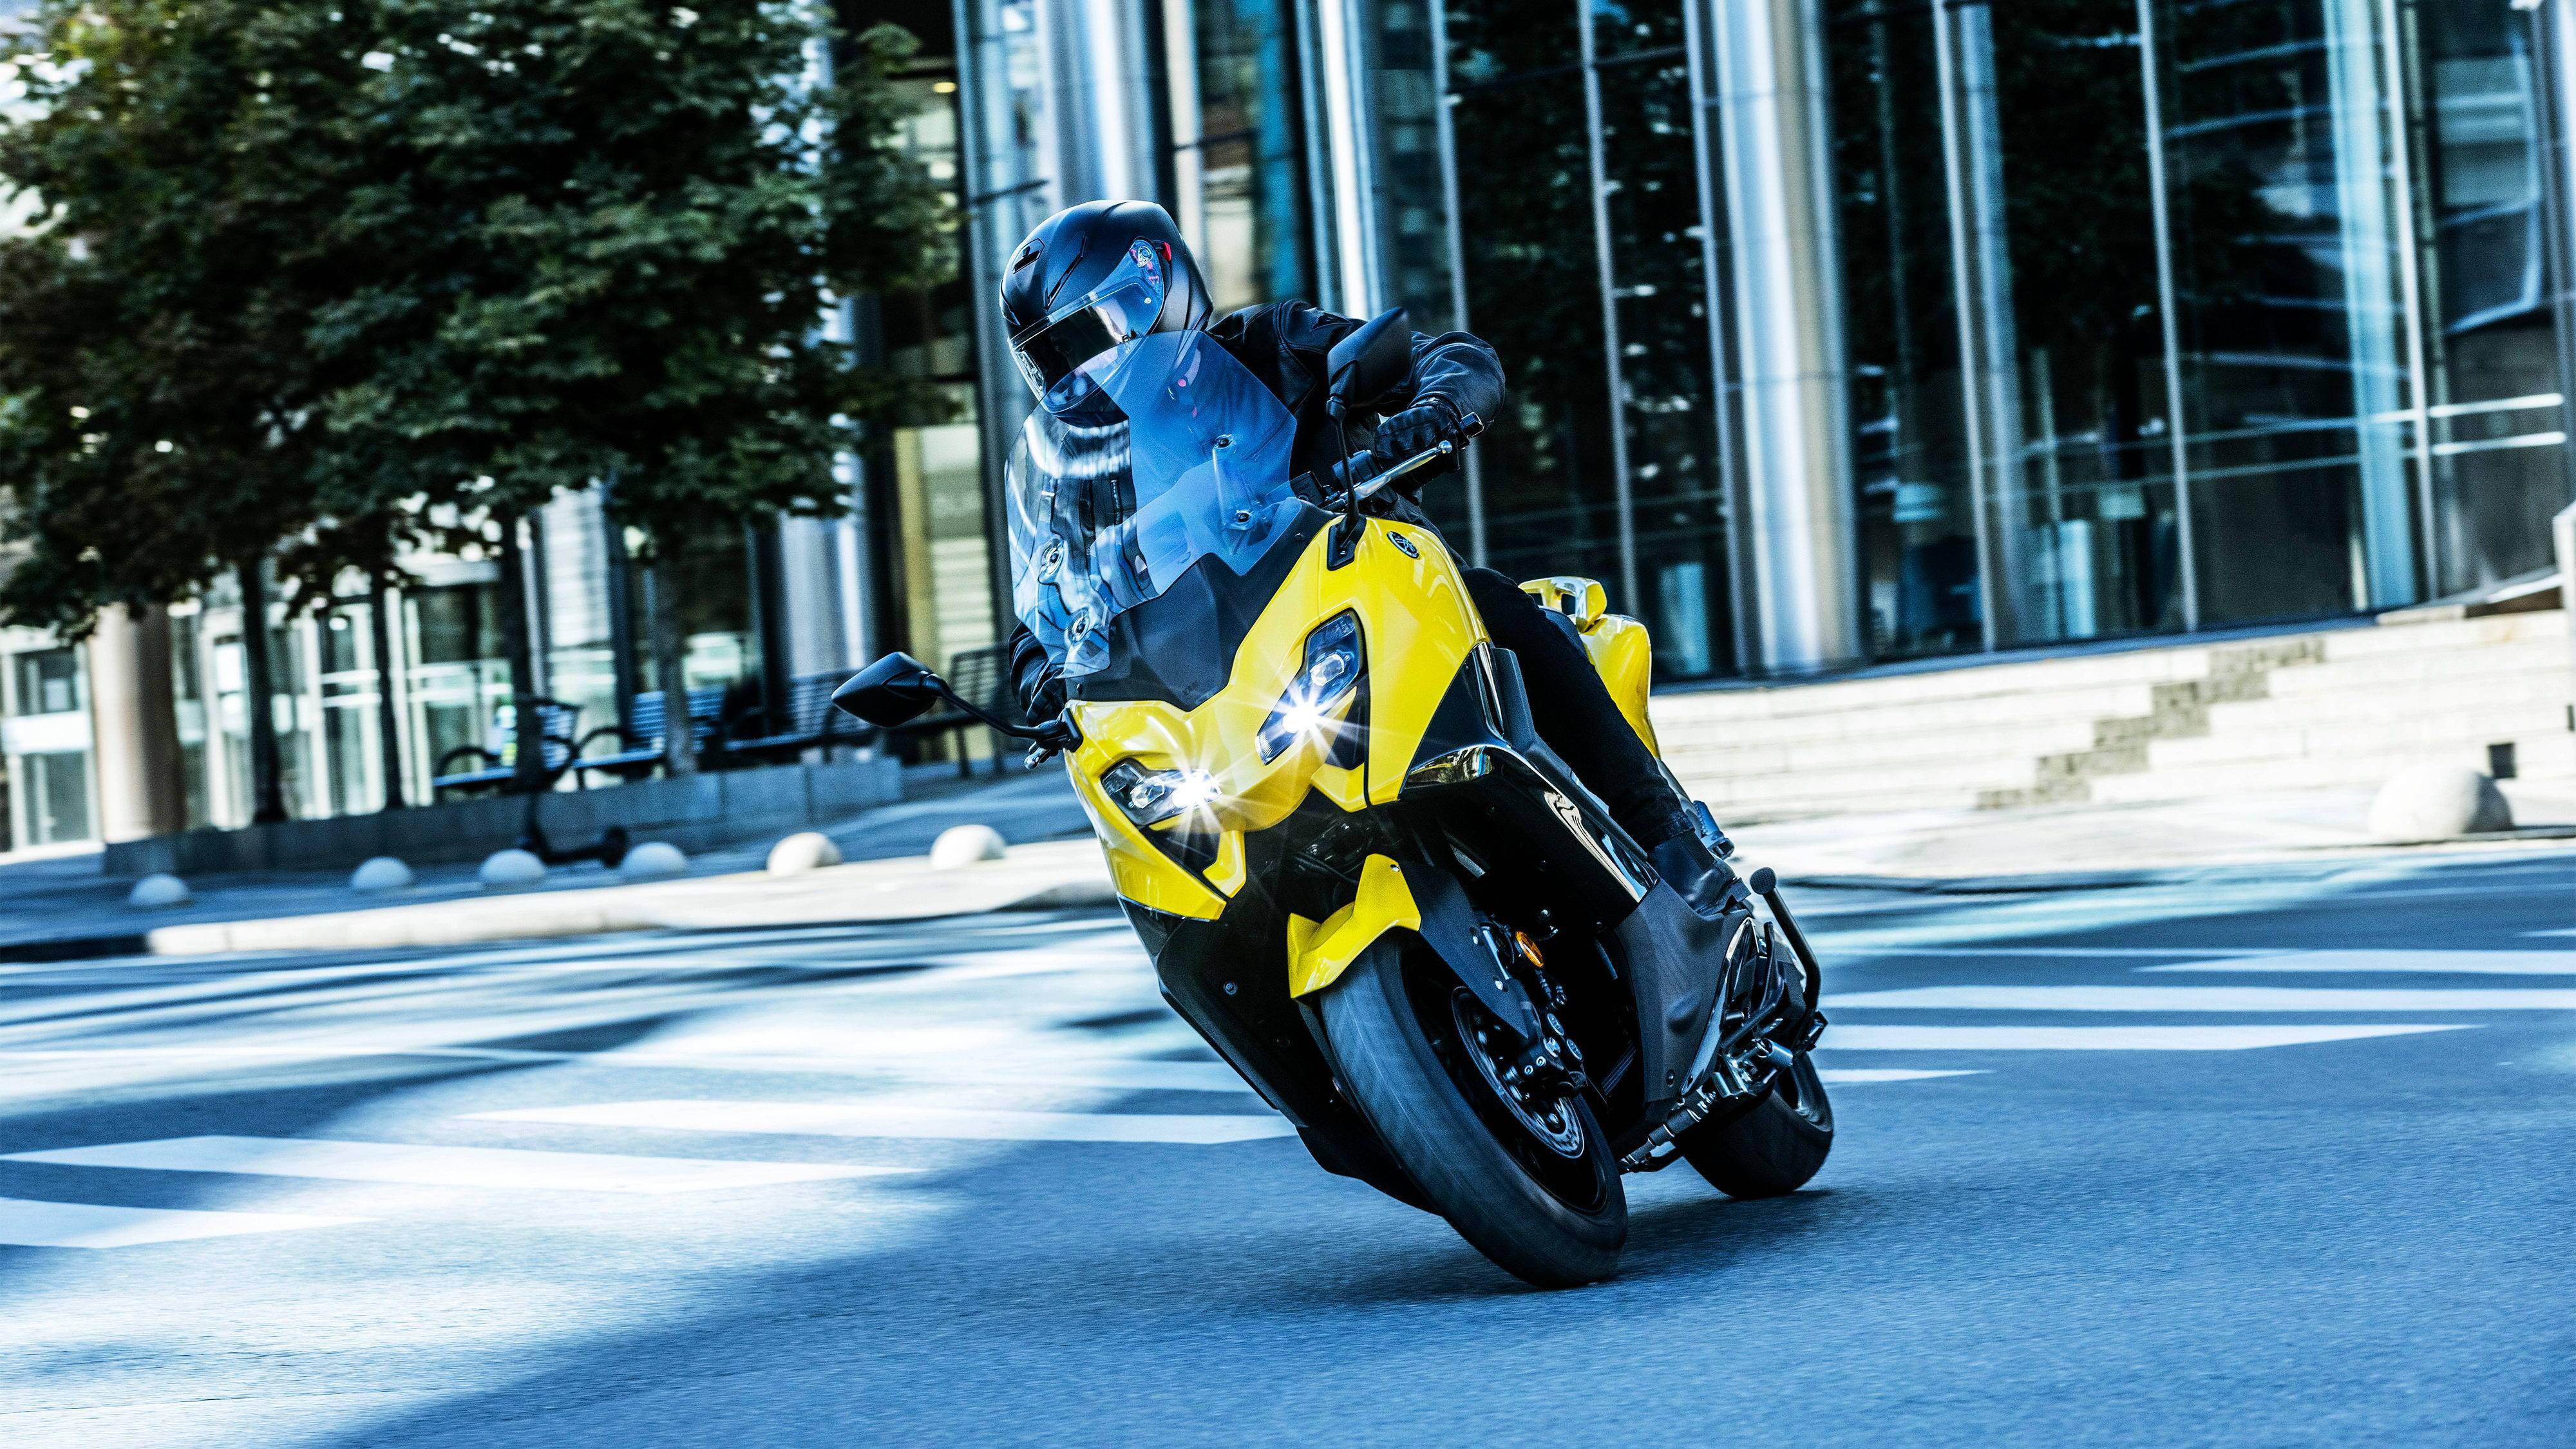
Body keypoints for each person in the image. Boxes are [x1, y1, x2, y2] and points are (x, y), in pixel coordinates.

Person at [998, 200, 1735, 911]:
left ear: (1157, 287)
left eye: (1094, 335)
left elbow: (1445, 356)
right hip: (1228, 677)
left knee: (1498, 606)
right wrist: (1038, 664)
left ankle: (1668, 834)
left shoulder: (1273, 347)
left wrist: (1435, 410)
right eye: (1055, 356)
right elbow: (1052, 587)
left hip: (1369, 598)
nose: (1084, 369)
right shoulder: (1091, 473)